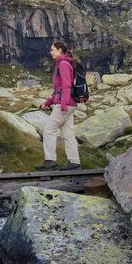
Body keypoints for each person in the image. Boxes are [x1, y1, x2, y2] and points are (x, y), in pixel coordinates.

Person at [37, 40, 81, 171]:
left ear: (60, 50)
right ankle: (74, 162)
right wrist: (48, 102)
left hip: (65, 103)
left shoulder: (62, 64)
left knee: (49, 129)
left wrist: (63, 104)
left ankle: (50, 160)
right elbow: (59, 89)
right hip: (69, 103)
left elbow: (67, 85)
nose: (51, 52)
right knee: (68, 134)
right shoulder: (64, 63)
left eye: (53, 50)